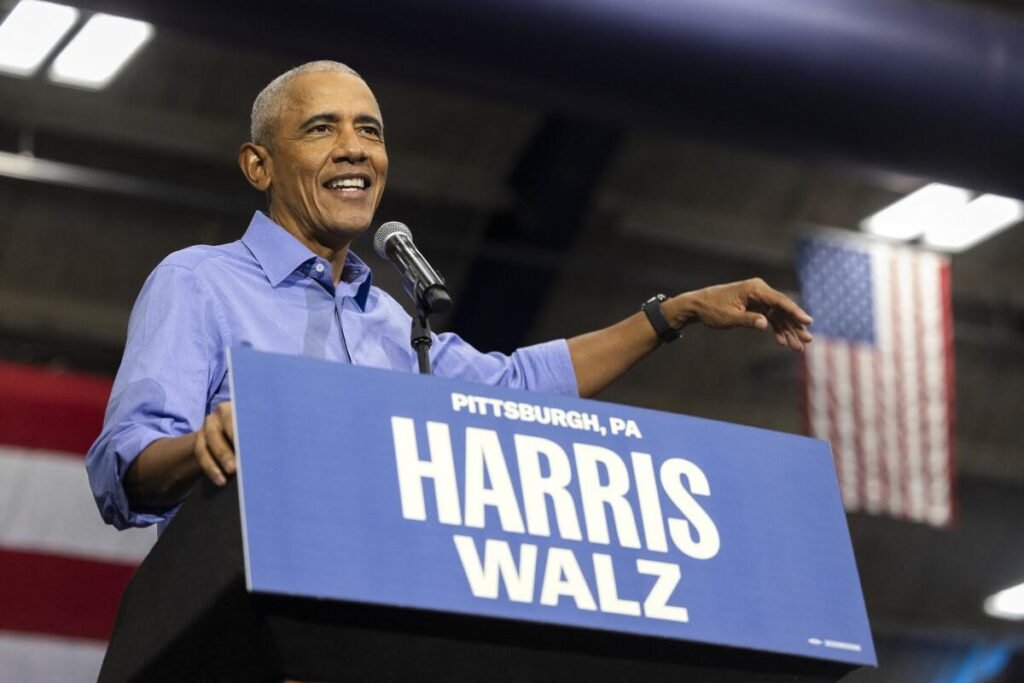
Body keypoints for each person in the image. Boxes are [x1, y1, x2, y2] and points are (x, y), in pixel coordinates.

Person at [86, 61, 813, 532]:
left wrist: (672, 313)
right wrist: (198, 448)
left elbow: (517, 385)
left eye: (369, 130)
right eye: (321, 129)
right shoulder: (199, 282)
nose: (355, 148)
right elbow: (124, 466)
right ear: (258, 164)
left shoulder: (392, 325)